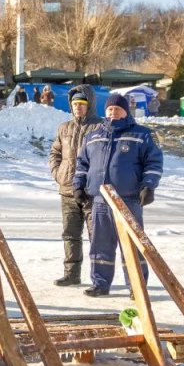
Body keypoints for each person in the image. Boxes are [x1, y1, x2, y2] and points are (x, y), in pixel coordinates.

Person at [72, 94, 163, 296]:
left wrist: (149, 186)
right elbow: (82, 165)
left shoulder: (142, 134)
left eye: (118, 109)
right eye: (110, 109)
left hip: (128, 199)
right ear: (105, 111)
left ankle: (137, 286)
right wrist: (78, 186)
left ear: (126, 111)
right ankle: (100, 284)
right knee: (100, 244)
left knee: (132, 244)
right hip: (100, 200)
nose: (114, 112)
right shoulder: (93, 136)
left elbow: (154, 163)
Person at [49, 85, 104, 286]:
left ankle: (99, 278)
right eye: (74, 104)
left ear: (90, 105)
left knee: (97, 236)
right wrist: (58, 173)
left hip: (91, 192)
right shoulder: (64, 128)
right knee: (70, 234)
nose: (78, 107)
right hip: (67, 189)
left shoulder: (100, 127)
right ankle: (71, 274)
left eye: (81, 103)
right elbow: (55, 153)